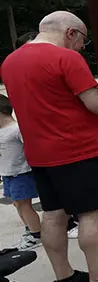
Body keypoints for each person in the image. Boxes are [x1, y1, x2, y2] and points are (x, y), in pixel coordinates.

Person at [1, 11, 98, 282]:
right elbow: (95, 105)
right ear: (70, 33)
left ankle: (63, 279)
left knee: (53, 215)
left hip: (40, 155)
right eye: (83, 41)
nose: (81, 48)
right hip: (79, 151)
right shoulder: (66, 59)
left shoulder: (10, 63)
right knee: (93, 215)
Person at [8, 31, 80, 241]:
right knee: (53, 196)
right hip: (41, 141)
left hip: (60, 138)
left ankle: (72, 219)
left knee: (66, 187)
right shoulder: (19, 72)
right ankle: (64, 222)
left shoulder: (55, 65)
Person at [0, 94, 43, 251]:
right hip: (7, 174)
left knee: (24, 205)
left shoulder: (16, 130)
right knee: (17, 203)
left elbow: (31, 147)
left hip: (21, 173)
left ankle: (36, 234)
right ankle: (29, 230)